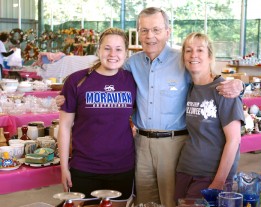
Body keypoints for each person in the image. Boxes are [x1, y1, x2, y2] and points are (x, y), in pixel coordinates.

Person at [56, 7, 244, 207]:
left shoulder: (183, 60)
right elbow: (105, 68)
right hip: (140, 144)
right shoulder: (131, 64)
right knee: (144, 201)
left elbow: (207, 78)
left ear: (167, 32)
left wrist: (239, 86)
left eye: (156, 29)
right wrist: (66, 94)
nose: (150, 36)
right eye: (144, 30)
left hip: (174, 143)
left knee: (171, 201)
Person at [57, 28, 136, 207]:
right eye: (107, 48)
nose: (112, 54)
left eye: (118, 49)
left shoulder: (131, 81)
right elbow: (64, 127)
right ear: (98, 50)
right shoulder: (77, 80)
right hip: (84, 167)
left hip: (122, 166)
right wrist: (63, 168)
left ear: (126, 52)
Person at [174, 32, 245, 202]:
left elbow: (234, 140)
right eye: (188, 50)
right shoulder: (189, 87)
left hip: (211, 175)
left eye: (200, 50)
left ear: (210, 56)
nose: (193, 55)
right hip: (185, 169)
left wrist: (219, 181)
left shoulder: (224, 90)